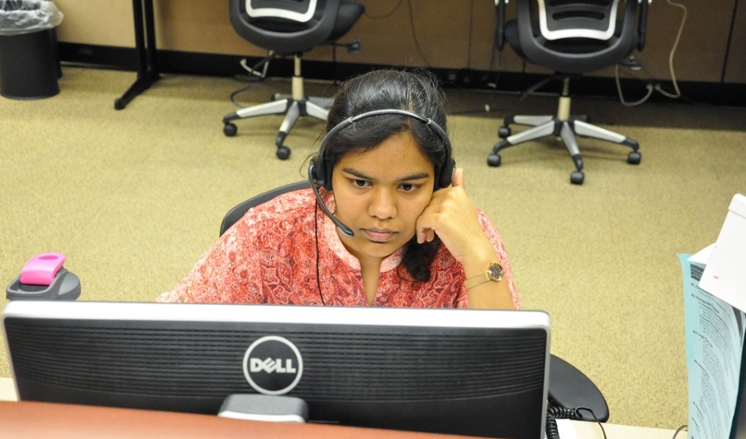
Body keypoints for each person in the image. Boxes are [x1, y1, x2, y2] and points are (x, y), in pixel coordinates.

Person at [158, 69, 520, 309]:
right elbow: (170, 333)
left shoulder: (468, 236)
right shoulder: (267, 232)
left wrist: (476, 253)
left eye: (408, 186)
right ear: (327, 174)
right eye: (360, 182)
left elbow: (510, 378)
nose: (382, 210)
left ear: (441, 180)